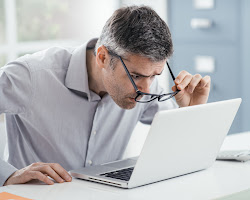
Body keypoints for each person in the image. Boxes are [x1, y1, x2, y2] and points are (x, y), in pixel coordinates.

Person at [0, 5, 210, 186]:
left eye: (154, 76)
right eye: (136, 75)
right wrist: (9, 174)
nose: (146, 89)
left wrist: (191, 110)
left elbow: (181, 153)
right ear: (102, 57)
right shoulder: (31, 76)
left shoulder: (145, 87)